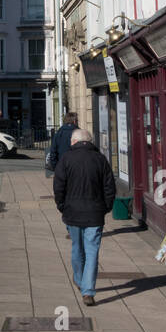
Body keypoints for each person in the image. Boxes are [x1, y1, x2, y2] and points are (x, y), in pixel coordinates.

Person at [53, 126, 116, 306]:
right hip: (95, 214)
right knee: (92, 252)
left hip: (72, 212)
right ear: (90, 142)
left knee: (77, 248)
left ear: (73, 142)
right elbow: (109, 187)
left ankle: (81, 282)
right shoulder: (100, 159)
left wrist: (62, 207)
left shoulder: (66, 159)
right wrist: (105, 208)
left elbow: (59, 187)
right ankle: (88, 291)